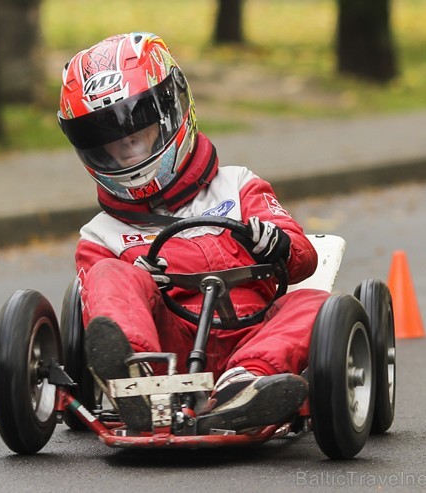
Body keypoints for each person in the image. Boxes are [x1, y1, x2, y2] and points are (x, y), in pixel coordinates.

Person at [58, 33, 329, 432]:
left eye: (136, 130)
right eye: (108, 142)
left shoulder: (237, 186)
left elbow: (304, 259)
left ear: (171, 112)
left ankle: (244, 387)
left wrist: (278, 244)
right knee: (108, 276)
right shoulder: (102, 235)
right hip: (166, 350)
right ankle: (139, 383)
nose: (126, 149)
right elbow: (97, 307)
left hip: (253, 334)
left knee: (318, 304)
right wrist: (142, 279)